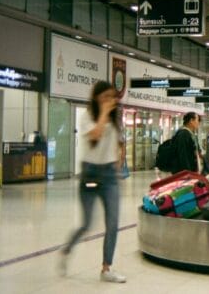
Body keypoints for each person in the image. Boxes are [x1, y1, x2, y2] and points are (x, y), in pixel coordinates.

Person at [59, 81, 126, 283]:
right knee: (87, 223)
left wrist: (118, 162)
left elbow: (118, 142)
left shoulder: (116, 119)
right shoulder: (86, 116)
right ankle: (67, 250)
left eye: (112, 97)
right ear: (96, 98)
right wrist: (104, 112)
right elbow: (95, 135)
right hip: (90, 174)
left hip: (109, 176)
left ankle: (106, 268)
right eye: (105, 97)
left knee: (113, 223)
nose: (110, 101)